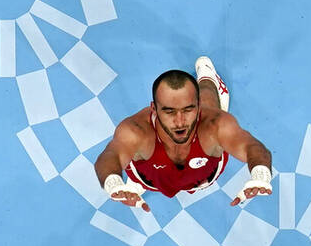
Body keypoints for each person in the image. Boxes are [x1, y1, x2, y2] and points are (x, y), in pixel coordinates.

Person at [95, 56, 272, 212]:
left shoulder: (215, 124)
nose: (180, 122)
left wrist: (261, 173)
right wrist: (113, 182)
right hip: (147, 177)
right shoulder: (136, 130)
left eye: (188, 109)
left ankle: (208, 77)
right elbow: (111, 156)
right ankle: (138, 183)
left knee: (210, 98)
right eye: (169, 111)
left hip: (202, 177)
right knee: (137, 176)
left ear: (198, 106)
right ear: (154, 109)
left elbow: (251, 146)